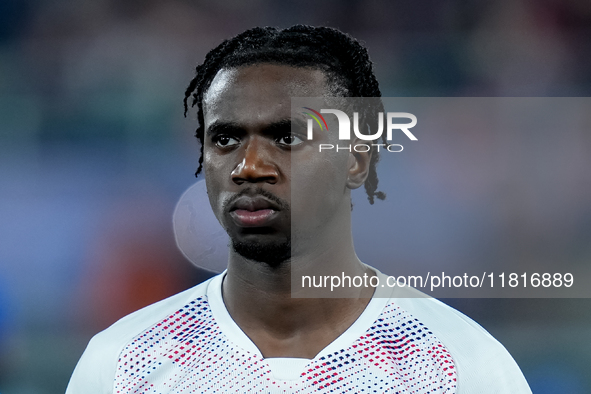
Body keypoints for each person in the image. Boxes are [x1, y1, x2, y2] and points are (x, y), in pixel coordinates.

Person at [66, 25, 532, 393]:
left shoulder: (458, 366)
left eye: (287, 138)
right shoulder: (124, 362)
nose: (249, 167)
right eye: (225, 139)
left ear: (356, 161)